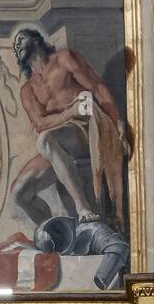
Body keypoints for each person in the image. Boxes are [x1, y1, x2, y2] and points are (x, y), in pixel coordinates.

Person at [12, 27, 129, 231]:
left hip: (87, 127)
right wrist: (69, 112)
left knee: (46, 141)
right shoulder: (28, 90)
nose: (17, 44)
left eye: (21, 39)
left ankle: (82, 208)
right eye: (15, 45)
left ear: (37, 40)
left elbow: (97, 87)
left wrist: (117, 121)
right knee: (19, 193)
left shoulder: (64, 59)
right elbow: (40, 124)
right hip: (59, 137)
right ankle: (56, 233)